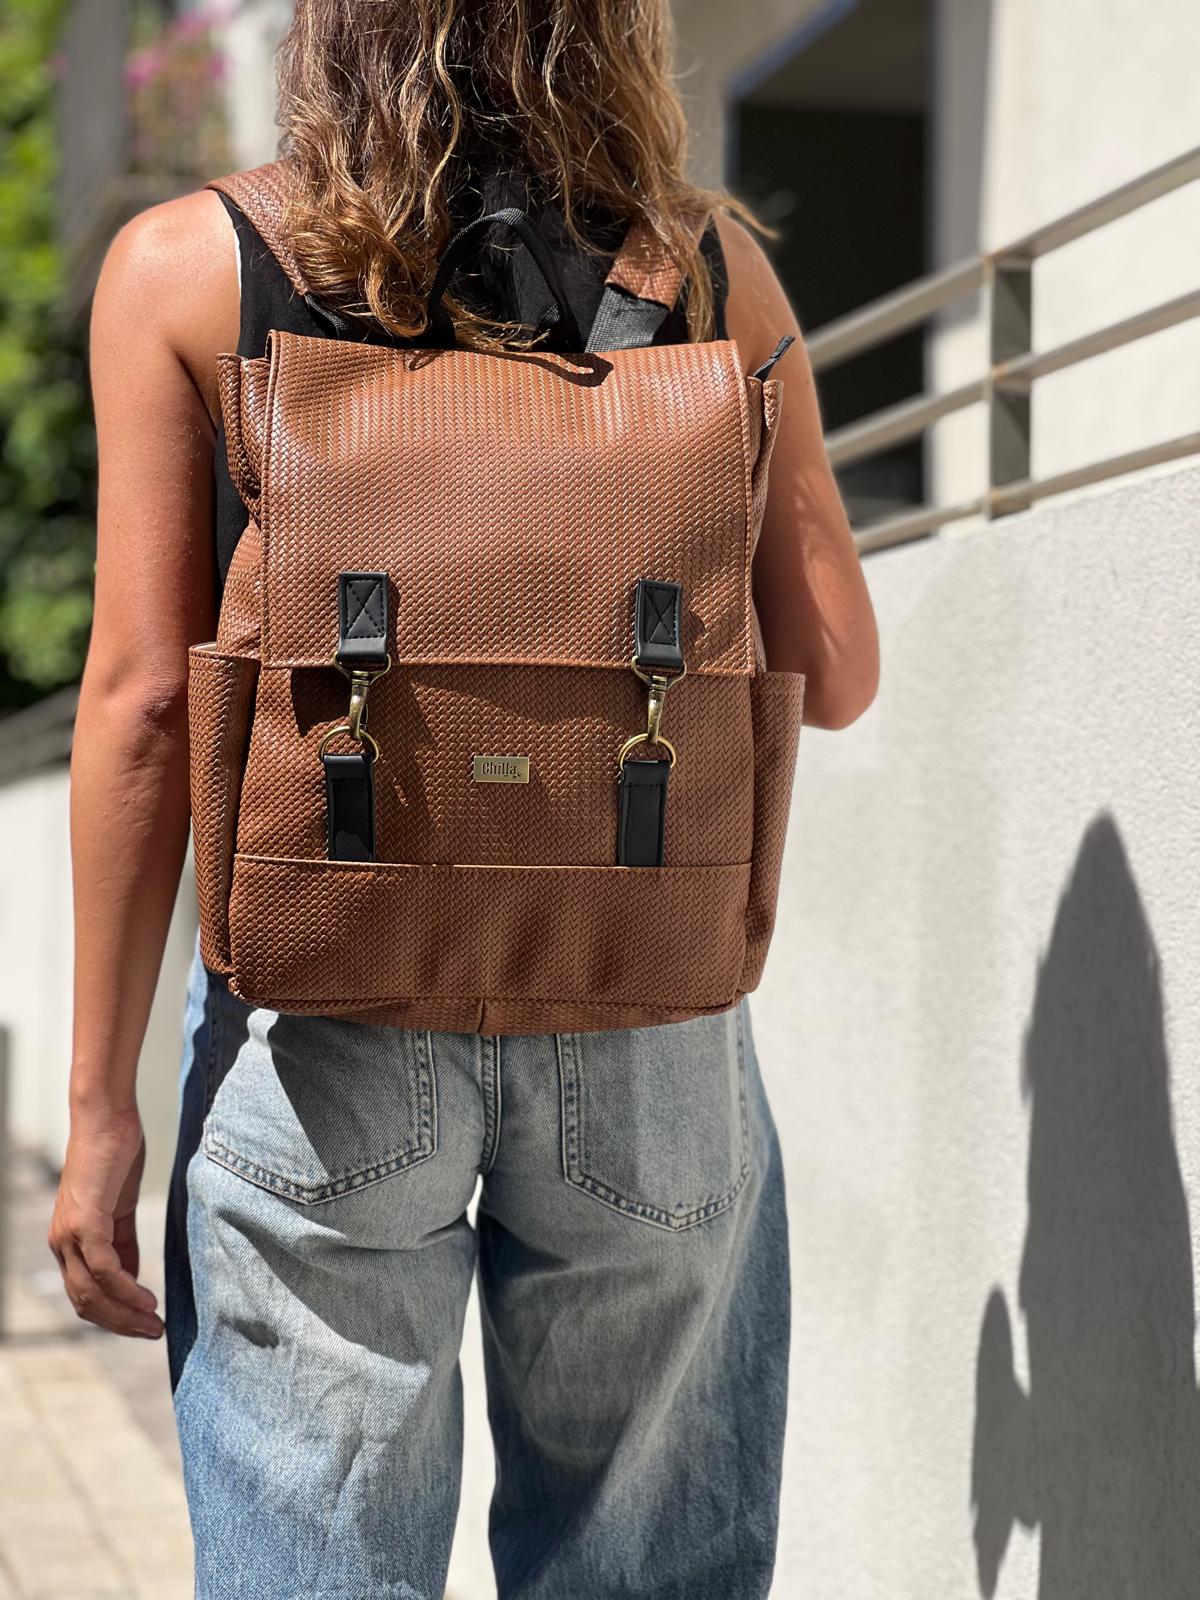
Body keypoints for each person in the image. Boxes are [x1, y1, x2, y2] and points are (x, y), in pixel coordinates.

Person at [49, 1, 879, 1594]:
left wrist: (101, 1110)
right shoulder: (711, 274)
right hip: (646, 1004)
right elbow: (834, 674)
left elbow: (148, 704)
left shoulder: (188, 263)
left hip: (327, 1010)